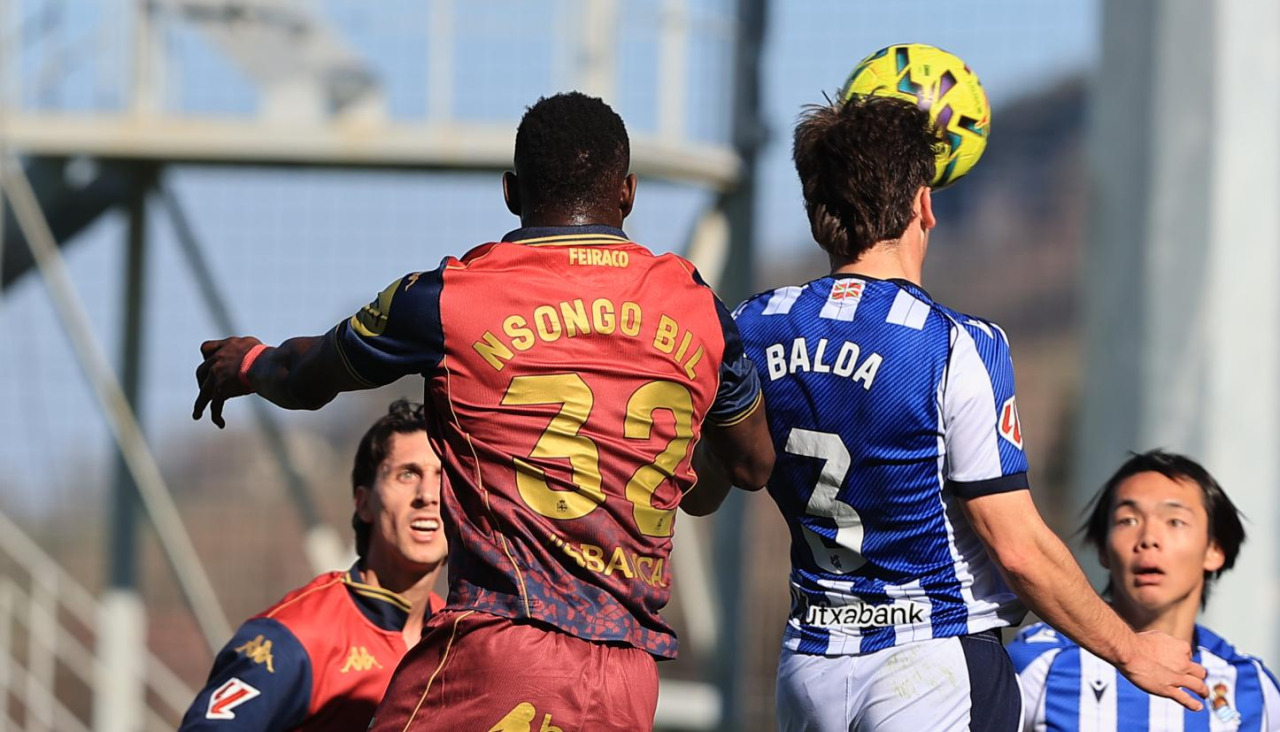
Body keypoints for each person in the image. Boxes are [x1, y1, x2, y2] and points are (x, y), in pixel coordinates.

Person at [192, 91, 774, 731]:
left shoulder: (448, 298)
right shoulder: (700, 309)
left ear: (510, 192)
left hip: (500, 654)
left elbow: (306, 377)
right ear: (629, 193)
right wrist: (681, 471)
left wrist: (247, 363)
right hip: (627, 681)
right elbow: (750, 465)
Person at [730, 95, 1207, 731]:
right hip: (929, 667)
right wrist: (1130, 649)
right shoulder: (955, 343)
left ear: (818, 215)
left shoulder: (752, 326)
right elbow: (1016, 548)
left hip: (808, 666)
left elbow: (724, 476)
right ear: (924, 204)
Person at [179, 399, 447, 730]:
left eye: (442, 476)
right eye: (407, 474)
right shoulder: (294, 637)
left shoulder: (462, 637)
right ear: (363, 504)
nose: (428, 494)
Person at [1007, 450, 1280, 730]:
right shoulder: (1040, 661)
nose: (1148, 539)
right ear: (1103, 548)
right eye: (1128, 520)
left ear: (1214, 549)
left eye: (1175, 522)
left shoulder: (1253, 688)